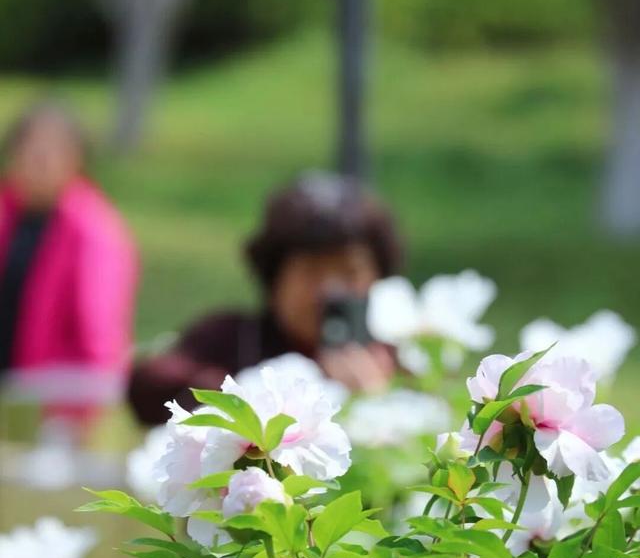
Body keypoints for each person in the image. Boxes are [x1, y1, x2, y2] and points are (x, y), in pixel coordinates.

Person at [128, 171, 402, 426]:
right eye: (312, 271)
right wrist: (256, 394)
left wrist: (379, 404)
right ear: (276, 276)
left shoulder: (403, 354)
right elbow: (148, 389)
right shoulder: (231, 340)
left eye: (350, 271)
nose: (330, 289)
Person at [0, 103, 138, 413]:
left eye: (51, 150)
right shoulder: (6, 213)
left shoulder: (95, 232)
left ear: (75, 159)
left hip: (49, 404)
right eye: (30, 149)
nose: (40, 160)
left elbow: (99, 333)